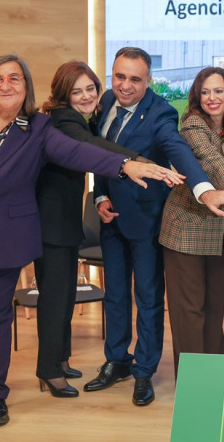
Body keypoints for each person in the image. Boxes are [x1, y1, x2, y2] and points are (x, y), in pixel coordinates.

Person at [0, 54, 180, 426]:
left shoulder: (37, 129)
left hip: (0, 240)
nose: (6, 85)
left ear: (26, 88)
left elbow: (79, 150)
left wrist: (125, 165)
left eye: (15, 79)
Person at [83, 47, 224, 406]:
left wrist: (205, 191)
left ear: (149, 80)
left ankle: (144, 372)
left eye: (134, 79)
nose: (125, 86)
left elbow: (180, 150)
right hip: (110, 214)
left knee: (149, 298)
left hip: (147, 217)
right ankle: (117, 361)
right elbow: (97, 152)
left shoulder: (161, 113)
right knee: (115, 296)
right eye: (119, 76)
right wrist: (98, 196)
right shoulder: (106, 100)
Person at [34, 61, 149, 398]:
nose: (86, 96)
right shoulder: (63, 120)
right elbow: (92, 147)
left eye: (90, 88)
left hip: (63, 223)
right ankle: (49, 371)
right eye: (77, 90)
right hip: (49, 225)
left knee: (64, 295)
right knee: (55, 299)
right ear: (62, 94)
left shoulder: (74, 117)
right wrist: (137, 160)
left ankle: (59, 359)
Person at [158, 67, 224, 376]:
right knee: (189, 312)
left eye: (218, 91)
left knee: (213, 310)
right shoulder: (192, 125)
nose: (212, 98)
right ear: (197, 97)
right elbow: (213, 162)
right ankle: (193, 386)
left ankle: (215, 377)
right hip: (186, 229)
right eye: (205, 92)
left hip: (217, 232)